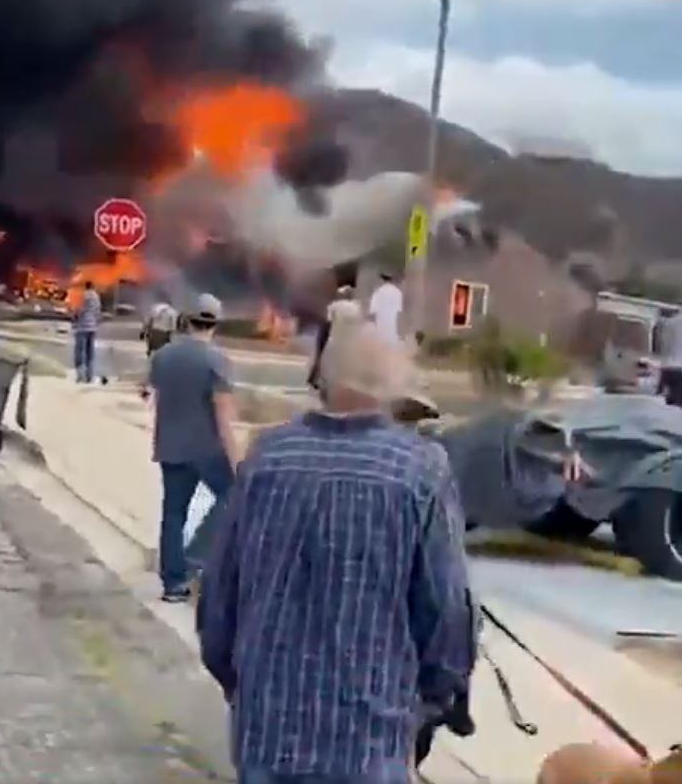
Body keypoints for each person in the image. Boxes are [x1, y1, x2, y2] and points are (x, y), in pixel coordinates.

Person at [197, 322, 476, 784]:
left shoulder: (267, 457)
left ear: (323, 381)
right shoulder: (420, 470)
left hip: (266, 734)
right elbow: (448, 614)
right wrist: (428, 706)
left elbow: (218, 599)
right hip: (368, 740)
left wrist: (242, 687)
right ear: (394, 392)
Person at [145, 293, 244, 603]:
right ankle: (196, 559)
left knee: (173, 514)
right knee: (234, 497)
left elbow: (157, 401)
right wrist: (238, 462)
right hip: (207, 448)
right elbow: (223, 415)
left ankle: (172, 583)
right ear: (215, 323)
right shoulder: (216, 360)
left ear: (186, 320)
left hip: (171, 445)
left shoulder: (162, 356)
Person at [307, 286, 363, 390]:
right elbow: (358, 325)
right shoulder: (356, 308)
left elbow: (327, 323)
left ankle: (318, 381)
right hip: (348, 340)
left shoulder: (334, 306)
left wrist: (321, 340)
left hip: (334, 338)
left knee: (326, 362)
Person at [71, 281, 104, 385]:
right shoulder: (97, 297)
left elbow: (78, 310)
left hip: (82, 327)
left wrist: (74, 317)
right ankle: (90, 376)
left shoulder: (83, 296)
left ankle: (81, 376)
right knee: (90, 353)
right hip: (92, 328)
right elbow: (98, 312)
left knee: (80, 353)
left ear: (86, 287)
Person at [368, 270, 405, 345]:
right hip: (392, 318)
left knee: (381, 337)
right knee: (391, 335)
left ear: (382, 280)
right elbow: (399, 309)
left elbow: (372, 310)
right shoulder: (397, 292)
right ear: (392, 280)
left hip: (381, 318)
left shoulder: (378, 292)